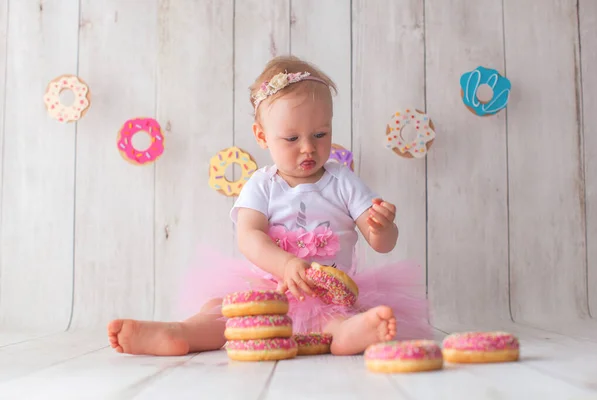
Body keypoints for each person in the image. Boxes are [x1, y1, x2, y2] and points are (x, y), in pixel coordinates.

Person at [108, 55, 431, 356]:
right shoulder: (262, 184)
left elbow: (382, 245)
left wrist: (383, 228)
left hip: (328, 297)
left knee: (330, 321)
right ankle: (181, 333)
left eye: (320, 134)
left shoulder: (343, 181)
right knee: (225, 313)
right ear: (262, 136)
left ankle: (349, 334)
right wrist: (285, 264)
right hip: (266, 289)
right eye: (291, 139)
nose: (308, 148)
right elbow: (249, 236)